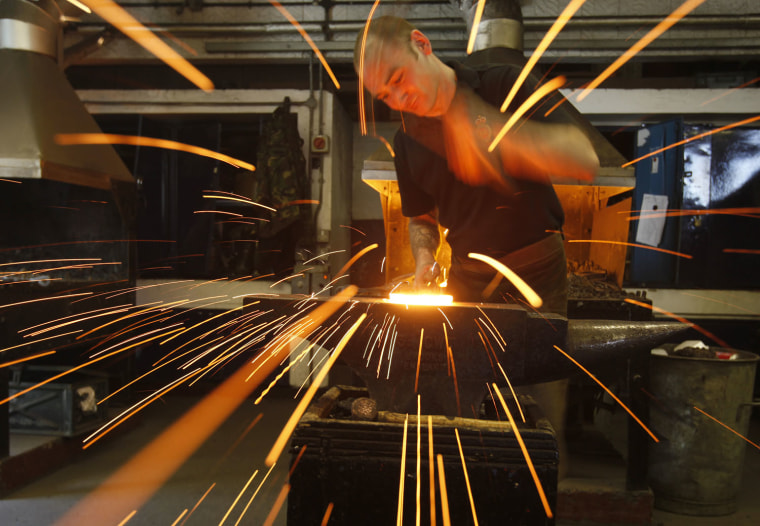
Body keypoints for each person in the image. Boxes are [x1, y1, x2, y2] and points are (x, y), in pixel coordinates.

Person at [354, 16, 600, 479]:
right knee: (466, 412)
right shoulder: (407, 141)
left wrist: (502, 141)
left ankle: (546, 501)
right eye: (384, 95)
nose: (398, 98)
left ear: (421, 44)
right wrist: (425, 257)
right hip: (468, 285)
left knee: (541, 416)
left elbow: (584, 155)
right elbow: (420, 218)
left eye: (398, 79)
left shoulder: (502, 83)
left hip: (536, 273)